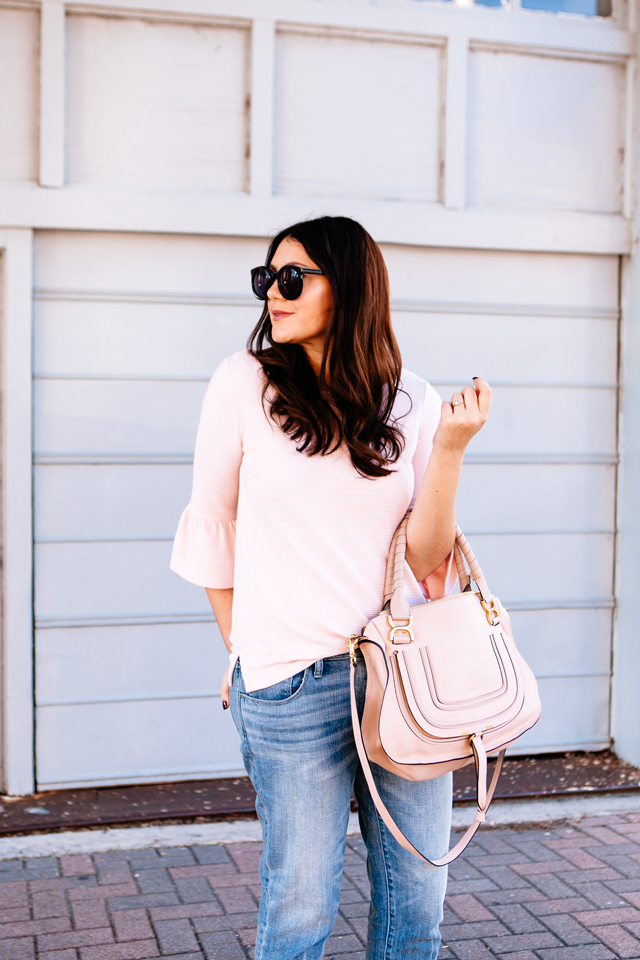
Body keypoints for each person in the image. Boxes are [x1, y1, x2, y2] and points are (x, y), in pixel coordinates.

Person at [170, 216, 491, 960]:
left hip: (403, 682)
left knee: (415, 907)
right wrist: (242, 650)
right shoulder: (243, 383)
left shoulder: (410, 399)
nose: (272, 295)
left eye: (291, 278)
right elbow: (213, 528)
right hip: (288, 684)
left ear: (347, 287)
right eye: (266, 280)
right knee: (299, 912)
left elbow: (426, 556)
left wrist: (448, 449)